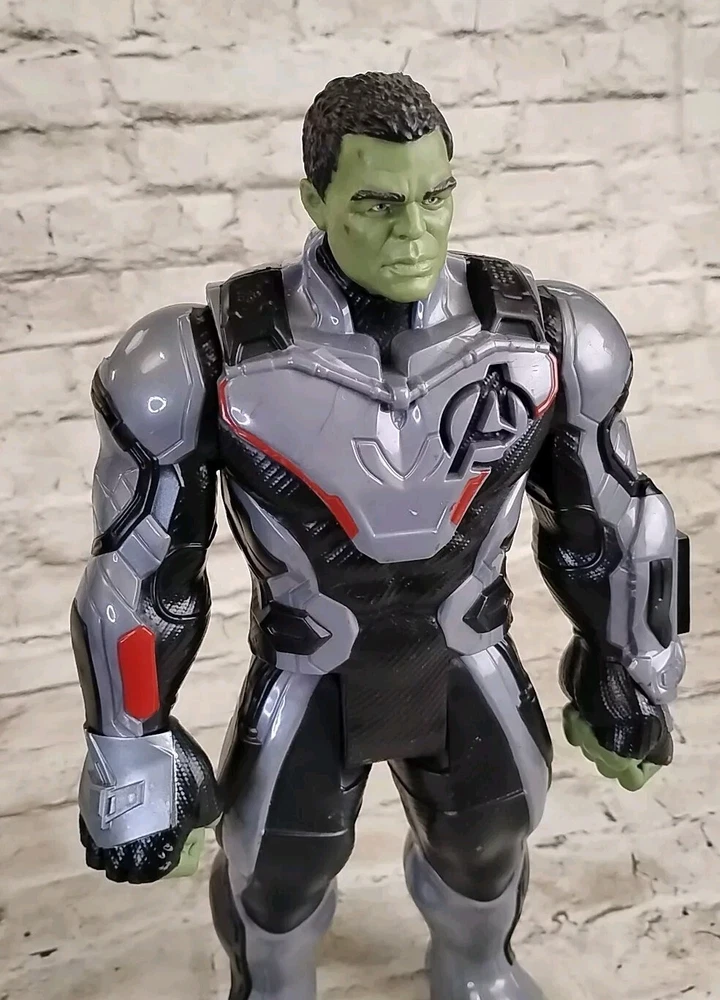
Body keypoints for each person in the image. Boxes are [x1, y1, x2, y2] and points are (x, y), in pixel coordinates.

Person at [71, 72, 689, 1000]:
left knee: (489, 847)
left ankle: (477, 974)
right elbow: (140, 575)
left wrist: (632, 666)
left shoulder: (549, 338)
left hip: (467, 657)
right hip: (310, 671)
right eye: (377, 203)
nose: (414, 233)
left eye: (435, 196)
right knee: (276, 884)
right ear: (315, 200)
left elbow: (616, 523)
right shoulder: (201, 360)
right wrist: (131, 748)